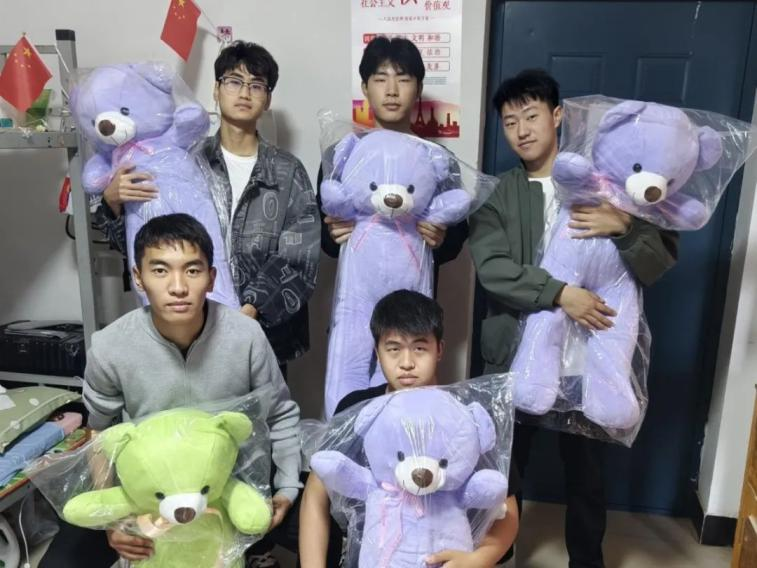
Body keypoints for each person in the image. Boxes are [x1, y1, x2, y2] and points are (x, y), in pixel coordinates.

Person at [469, 69, 678, 568]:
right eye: (510, 121)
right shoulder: (498, 194)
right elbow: (492, 268)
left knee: (587, 477)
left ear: (557, 115)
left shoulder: (614, 186)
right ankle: (497, 557)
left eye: (531, 115)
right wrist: (561, 294)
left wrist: (624, 226)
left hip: (592, 359)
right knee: (504, 472)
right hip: (517, 357)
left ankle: (587, 561)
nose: (521, 130)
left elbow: (659, 261)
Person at [40, 213, 301, 568]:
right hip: (149, 491)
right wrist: (113, 520)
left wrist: (287, 489)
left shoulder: (245, 337)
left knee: (316, 519)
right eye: (160, 270)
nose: (178, 287)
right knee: (60, 562)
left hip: (226, 484)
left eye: (192, 270)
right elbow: (100, 435)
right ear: (138, 277)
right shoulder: (110, 346)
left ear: (211, 278)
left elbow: (280, 415)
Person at [95, 41, 320, 375]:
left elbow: (299, 258)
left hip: (263, 338)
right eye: (234, 81)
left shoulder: (287, 172)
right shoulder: (182, 160)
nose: (244, 93)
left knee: (263, 409)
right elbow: (146, 240)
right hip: (186, 332)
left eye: (256, 85)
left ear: (268, 99)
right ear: (216, 90)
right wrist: (112, 203)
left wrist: (248, 312)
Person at [299, 290, 520, 568]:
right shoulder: (358, 406)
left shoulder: (463, 414)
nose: (406, 363)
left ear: (439, 349)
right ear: (377, 352)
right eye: (393, 349)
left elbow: (508, 509)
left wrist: (476, 560)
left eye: (419, 348)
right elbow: (316, 495)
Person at [318, 35, 467, 278]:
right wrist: (333, 234)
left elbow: (456, 238)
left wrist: (441, 239)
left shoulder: (437, 159)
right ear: (365, 88)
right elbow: (324, 236)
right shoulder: (342, 155)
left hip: (414, 290)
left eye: (403, 79)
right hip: (358, 288)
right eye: (380, 79)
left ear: (418, 89)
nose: (392, 91)